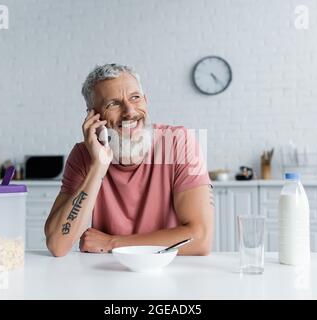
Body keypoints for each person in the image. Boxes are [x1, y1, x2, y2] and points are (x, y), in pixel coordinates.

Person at [44, 63, 213, 257]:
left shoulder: (178, 143)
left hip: (166, 271)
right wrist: (98, 167)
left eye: (135, 98)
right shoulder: (84, 156)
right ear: (93, 117)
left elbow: (201, 240)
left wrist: (112, 242)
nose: (130, 111)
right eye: (113, 104)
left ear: (146, 101)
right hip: (108, 273)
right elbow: (58, 245)